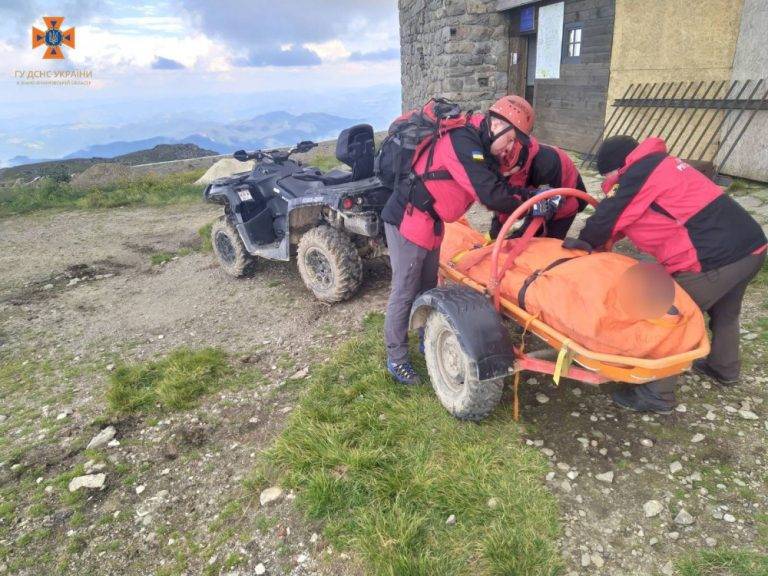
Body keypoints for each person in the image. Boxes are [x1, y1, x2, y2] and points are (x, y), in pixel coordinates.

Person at [574, 135, 767, 413]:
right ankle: (724, 367)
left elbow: (609, 215)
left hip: (715, 259)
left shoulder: (637, 174)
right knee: (726, 310)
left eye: (609, 177)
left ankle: (656, 394)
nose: (611, 184)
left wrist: (584, 241)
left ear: (619, 167)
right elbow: (632, 215)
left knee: (665, 314)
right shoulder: (661, 165)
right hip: (752, 247)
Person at [381, 96, 557, 385]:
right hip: (408, 220)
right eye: (511, 140)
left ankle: (428, 340)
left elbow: (499, 186)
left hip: (430, 221)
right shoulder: (462, 142)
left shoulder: (479, 145)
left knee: (427, 286)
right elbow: (490, 194)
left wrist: (530, 196)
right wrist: (534, 200)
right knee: (404, 289)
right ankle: (397, 358)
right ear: (497, 124)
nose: (510, 148)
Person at [486, 96, 588, 240]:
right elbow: (505, 200)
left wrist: (518, 237)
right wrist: (495, 233)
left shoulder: (545, 164)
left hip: (565, 199)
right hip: (537, 190)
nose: (506, 174)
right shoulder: (499, 157)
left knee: (545, 243)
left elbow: (543, 212)